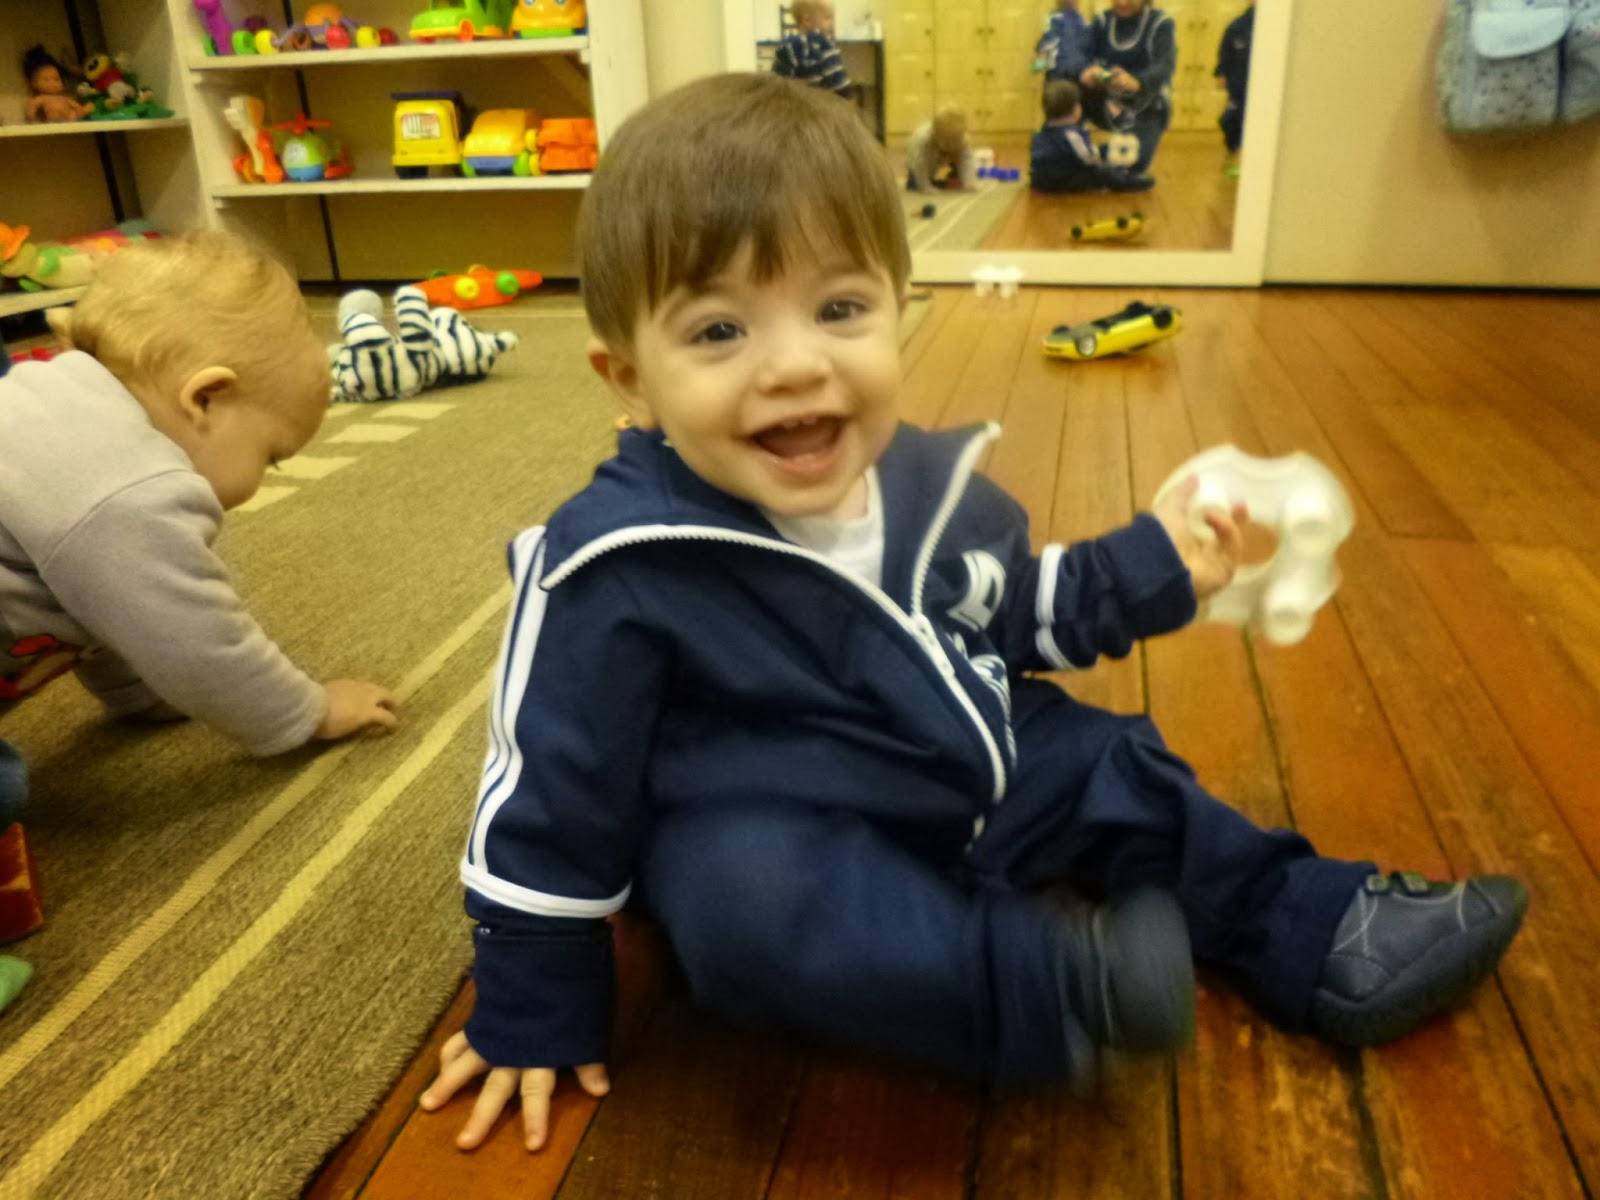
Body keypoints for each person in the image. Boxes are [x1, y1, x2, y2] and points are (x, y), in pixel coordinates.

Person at [418, 71, 1529, 1154]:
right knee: (744, 906)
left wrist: (1158, 566)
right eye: (719, 332)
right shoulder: (613, 563)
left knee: (1111, 764)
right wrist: (534, 1005)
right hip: (783, 825)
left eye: (839, 309)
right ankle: (1051, 987)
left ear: (899, 308)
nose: (796, 365)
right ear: (628, 379)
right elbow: (549, 794)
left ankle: (1312, 921)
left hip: (964, 761)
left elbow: (1014, 611)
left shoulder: (924, 485)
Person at [0, 231, 398, 824]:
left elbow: (107, 601)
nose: (262, 479)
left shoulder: (62, 411)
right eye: (271, 455)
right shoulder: (130, 492)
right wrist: (309, 712)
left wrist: (137, 693)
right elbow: (193, 639)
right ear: (207, 397)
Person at [1078, 0, 1177, 176]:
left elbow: (1164, 66)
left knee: (1132, 162)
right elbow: (1083, 56)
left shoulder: (1160, 23)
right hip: (1107, 100)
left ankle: (1082, 156)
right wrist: (1089, 70)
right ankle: (1067, 148)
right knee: (1067, 88)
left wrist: (1137, 82)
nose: (1122, 3)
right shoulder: (1102, 21)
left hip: (1146, 103)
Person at [1031, 79, 1154, 193]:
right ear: (1074, 110)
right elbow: (1088, 159)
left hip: (1041, 180)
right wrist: (1103, 162)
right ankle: (1125, 181)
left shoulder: (1040, 134)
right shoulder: (1072, 134)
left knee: (1098, 154)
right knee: (1099, 171)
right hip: (1064, 180)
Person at [770, 0, 851, 100]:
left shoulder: (786, 47)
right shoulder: (824, 45)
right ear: (807, 20)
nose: (831, 23)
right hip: (823, 105)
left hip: (794, 104)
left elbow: (775, 84)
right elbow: (840, 86)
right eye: (827, 18)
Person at [1215, 4, 1255, 165]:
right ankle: (1233, 152)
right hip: (1239, 85)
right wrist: (1221, 72)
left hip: (1261, 87)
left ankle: (1245, 158)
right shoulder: (1238, 26)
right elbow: (1225, 50)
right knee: (1230, 120)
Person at [905, 107, 977, 192]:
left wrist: (968, 180)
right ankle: (927, 181)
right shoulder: (924, 140)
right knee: (914, 183)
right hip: (916, 166)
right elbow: (920, 164)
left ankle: (939, 179)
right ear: (935, 133)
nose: (952, 145)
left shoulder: (963, 140)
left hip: (941, 164)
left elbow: (967, 161)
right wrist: (925, 186)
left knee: (941, 180)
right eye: (948, 142)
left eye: (956, 140)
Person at [22, 45, 92, 124]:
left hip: (68, 119)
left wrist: (79, 109)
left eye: (56, 79)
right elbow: (33, 106)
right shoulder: (42, 98)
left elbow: (74, 104)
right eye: (46, 79)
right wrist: (31, 117)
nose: (53, 83)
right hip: (51, 121)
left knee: (74, 114)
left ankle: (84, 111)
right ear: (34, 83)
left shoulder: (63, 98)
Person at [1033, 0, 1092, 85]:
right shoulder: (1055, 19)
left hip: (1077, 76)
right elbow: (1047, 48)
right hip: (1063, 77)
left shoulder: (1083, 22)